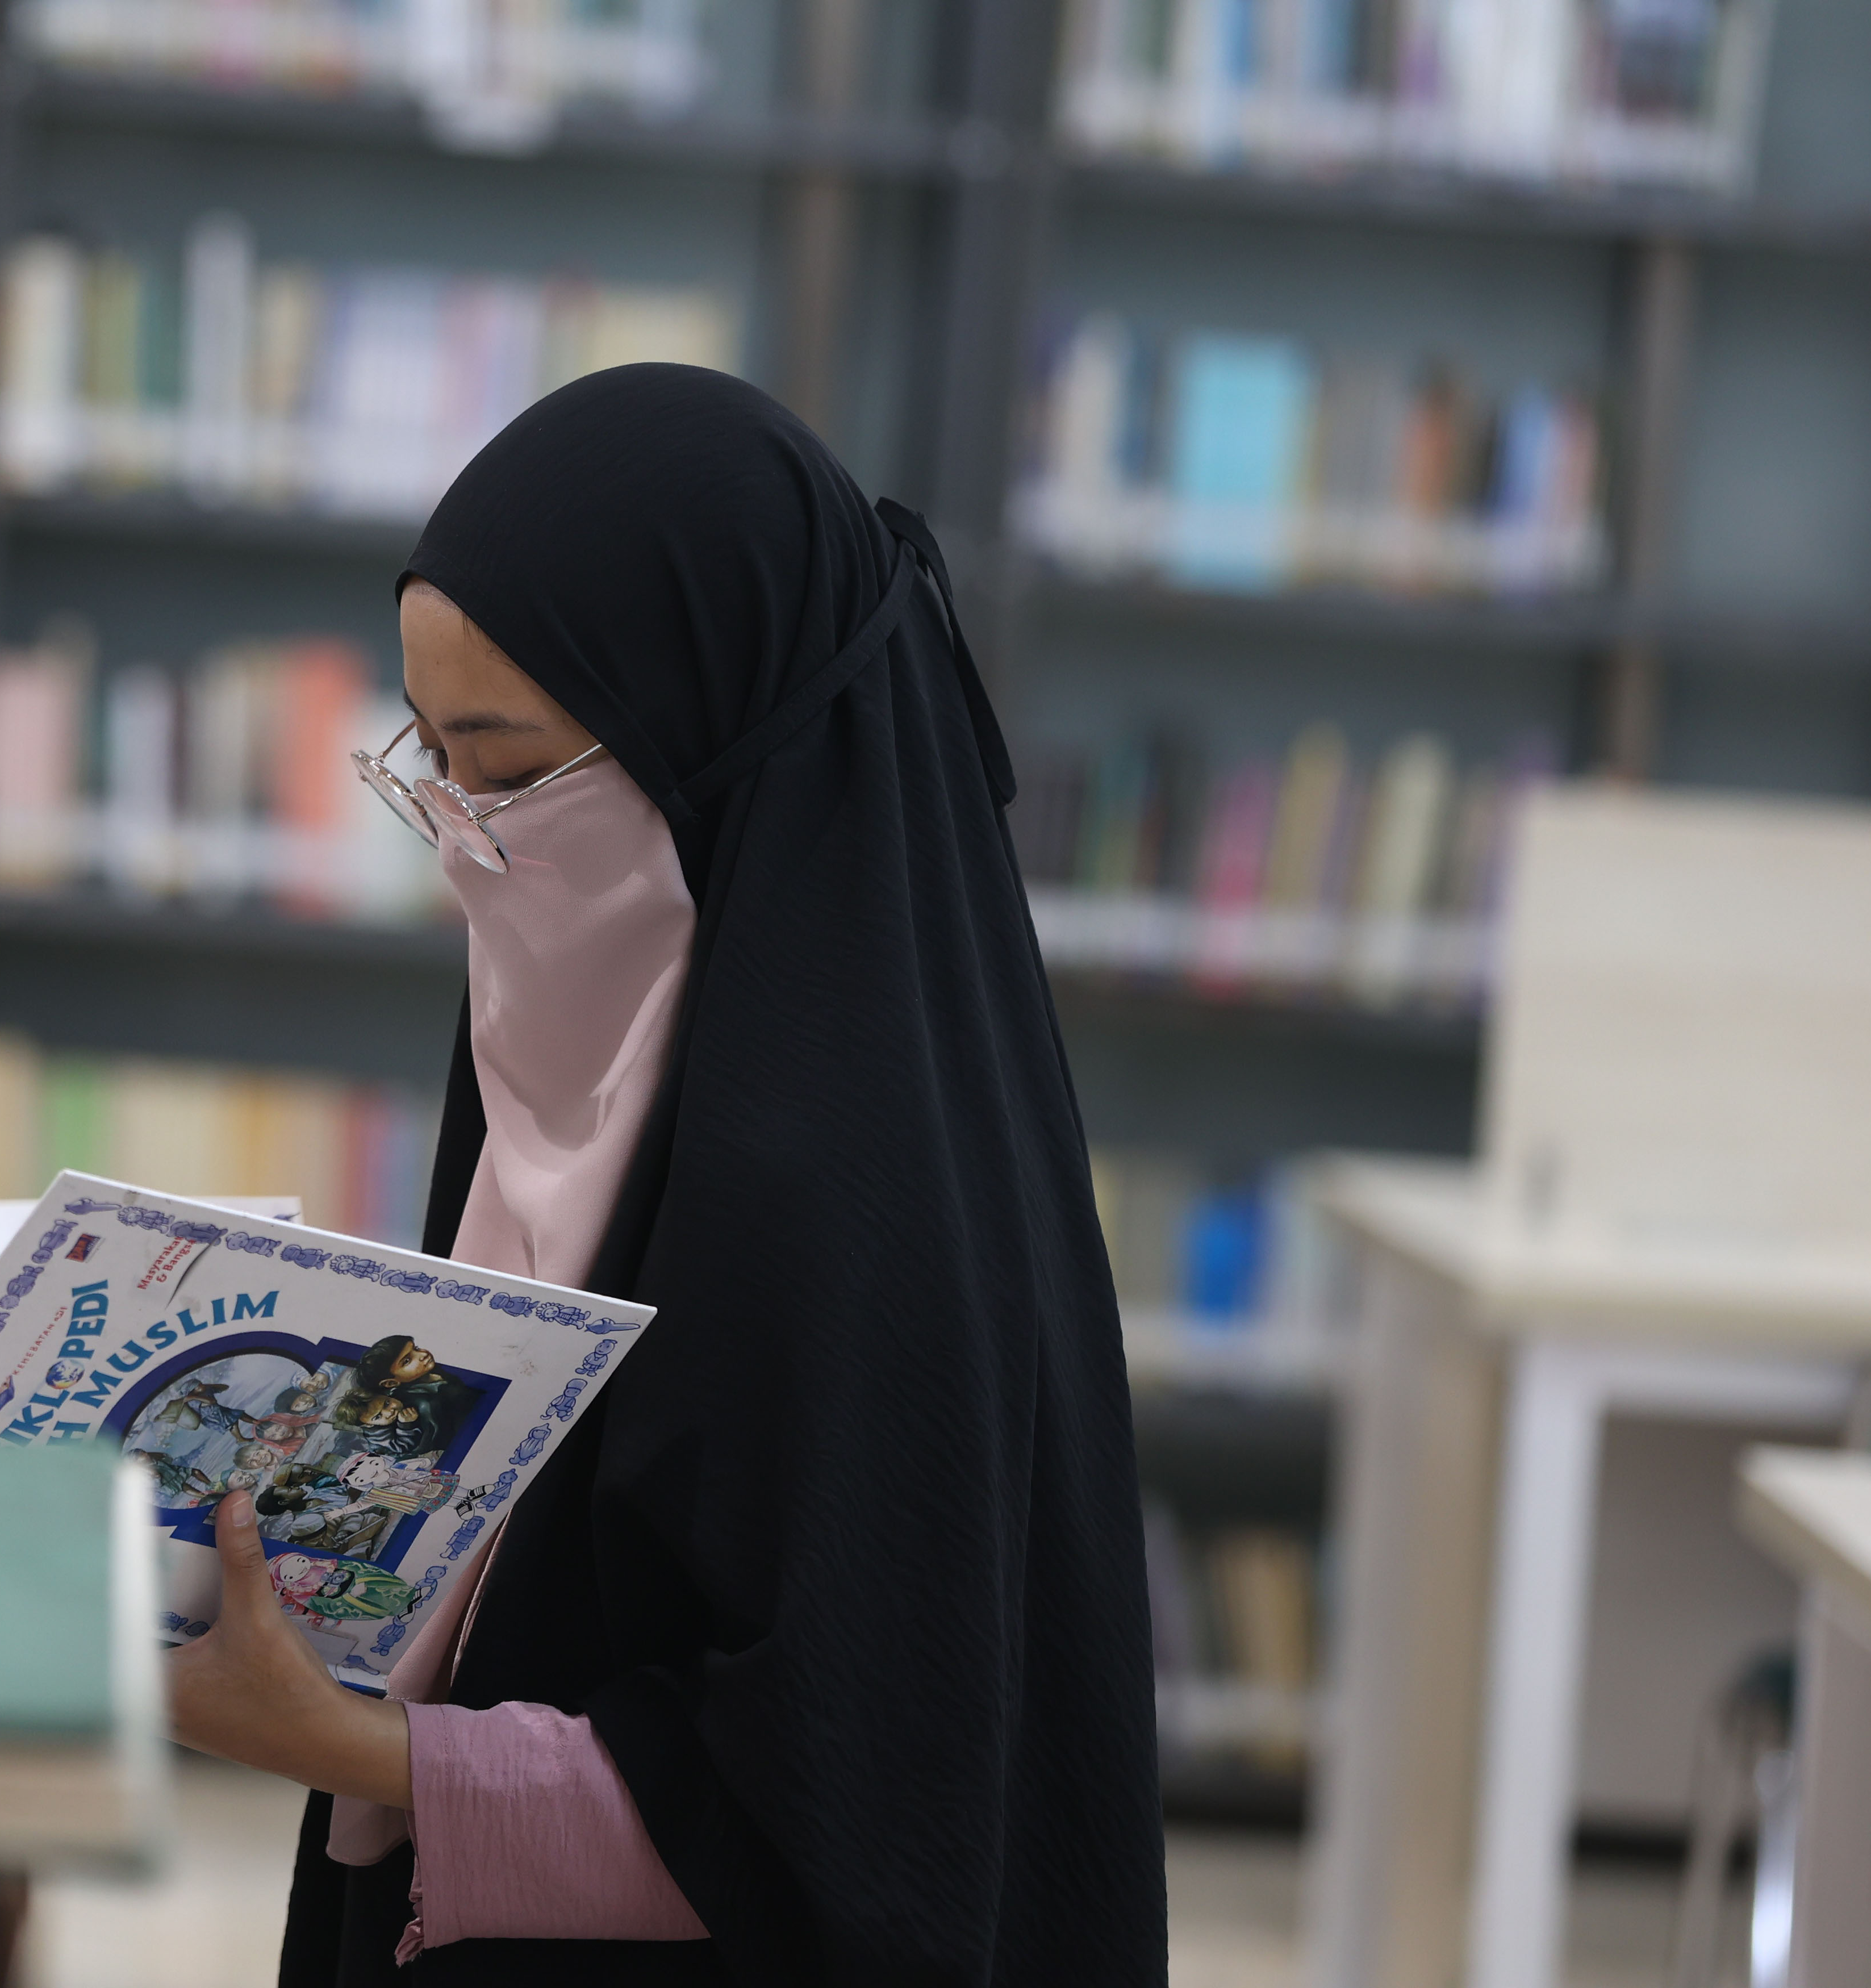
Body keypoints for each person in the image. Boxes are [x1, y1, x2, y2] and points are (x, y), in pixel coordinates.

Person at [160, 366, 1167, 1983]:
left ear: (713, 751)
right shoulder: (592, 1032)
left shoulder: (841, 1207)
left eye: (508, 762)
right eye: (431, 758)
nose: (467, 835)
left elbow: (833, 1841)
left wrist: (354, 1749)